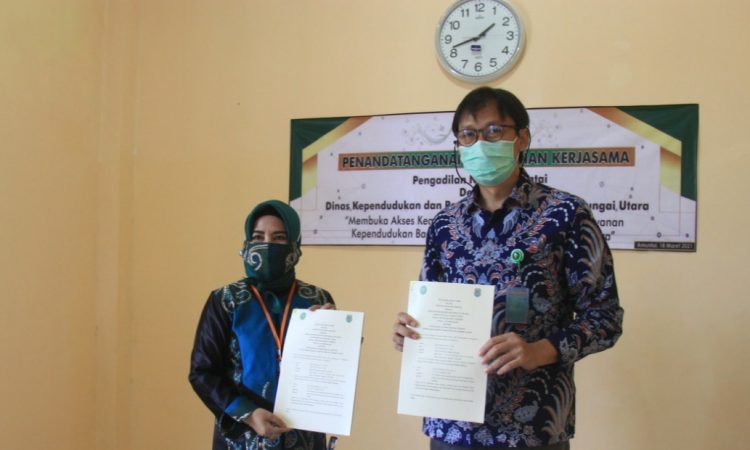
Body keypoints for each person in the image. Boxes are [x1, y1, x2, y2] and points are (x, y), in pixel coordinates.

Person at [392, 87, 624, 449]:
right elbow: (431, 309)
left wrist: (540, 350)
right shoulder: (444, 225)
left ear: (522, 138)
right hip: (451, 426)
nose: (480, 144)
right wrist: (410, 332)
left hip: (532, 427)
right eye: (468, 135)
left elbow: (605, 318)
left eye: (493, 131)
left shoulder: (565, 215)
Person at [190, 199, 335, 450]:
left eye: (279, 238)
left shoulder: (317, 299)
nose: (267, 245)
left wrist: (334, 333)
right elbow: (202, 372)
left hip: (303, 437)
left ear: (294, 245)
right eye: (258, 237)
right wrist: (247, 413)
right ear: (247, 244)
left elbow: (333, 374)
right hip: (242, 437)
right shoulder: (226, 300)